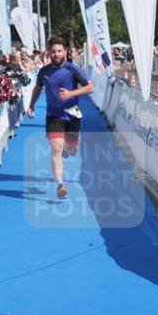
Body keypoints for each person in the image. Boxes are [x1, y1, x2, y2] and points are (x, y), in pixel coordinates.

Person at [26, 37, 94, 200]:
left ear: (65, 52)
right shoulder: (44, 71)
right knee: (56, 149)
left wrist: (71, 93)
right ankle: (60, 185)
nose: (56, 54)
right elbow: (37, 87)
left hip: (73, 113)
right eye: (53, 51)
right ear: (49, 53)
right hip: (53, 115)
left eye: (59, 51)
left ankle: (69, 148)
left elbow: (90, 87)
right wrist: (31, 105)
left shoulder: (73, 69)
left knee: (72, 150)